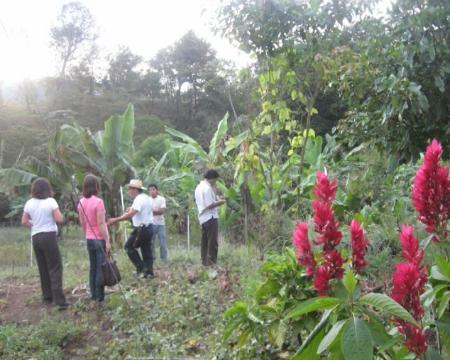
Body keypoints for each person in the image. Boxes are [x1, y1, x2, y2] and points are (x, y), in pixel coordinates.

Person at [21, 177, 69, 310]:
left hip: (36, 236)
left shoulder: (29, 203)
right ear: (48, 188)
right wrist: (64, 217)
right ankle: (59, 300)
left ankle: (47, 297)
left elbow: (24, 221)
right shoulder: (51, 201)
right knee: (55, 266)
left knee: (43, 267)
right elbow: (59, 219)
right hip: (49, 235)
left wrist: (35, 225)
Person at [108, 179, 154, 278]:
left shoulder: (138, 199)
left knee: (129, 247)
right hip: (149, 227)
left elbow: (130, 215)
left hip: (141, 229)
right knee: (146, 250)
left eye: (129, 189)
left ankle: (142, 268)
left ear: (135, 190)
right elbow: (138, 211)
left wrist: (115, 220)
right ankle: (149, 272)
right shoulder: (147, 198)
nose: (129, 192)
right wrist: (131, 210)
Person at [77, 174, 111, 303]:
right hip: (99, 238)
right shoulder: (98, 202)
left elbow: (82, 222)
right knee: (100, 268)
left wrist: (87, 234)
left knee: (93, 268)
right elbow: (101, 223)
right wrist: (107, 240)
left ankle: (93, 294)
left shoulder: (81, 202)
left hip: (89, 239)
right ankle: (99, 296)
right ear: (96, 186)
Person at [194, 169, 226, 266]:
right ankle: (211, 263)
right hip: (210, 216)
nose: (215, 182)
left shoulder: (198, 187)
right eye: (215, 180)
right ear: (212, 179)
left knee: (205, 241)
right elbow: (210, 205)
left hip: (203, 217)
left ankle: (204, 261)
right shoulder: (207, 188)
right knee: (212, 242)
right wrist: (220, 202)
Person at [148, 184, 168, 262]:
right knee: (151, 243)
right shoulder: (148, 200)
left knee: (162, 243)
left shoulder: (161, 199)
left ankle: (164, 259)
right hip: (151, 224)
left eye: (153, 189)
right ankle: (152, 258)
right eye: (150, 190)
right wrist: (156, 211)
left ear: (157, 190)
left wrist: (152, 211)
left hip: (161, 224)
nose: (152, 191)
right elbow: (147, 212)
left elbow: (162, 211)